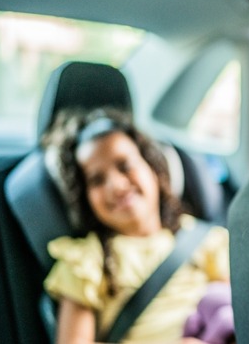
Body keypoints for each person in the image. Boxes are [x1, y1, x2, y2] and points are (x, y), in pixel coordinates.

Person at [42, 108, 233, 344]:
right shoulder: (87, 260)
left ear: (153, 168)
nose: (117, 185)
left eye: (124, 166)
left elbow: (236, 315)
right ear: (85, 199)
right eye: (97, 180)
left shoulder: (205, 240)